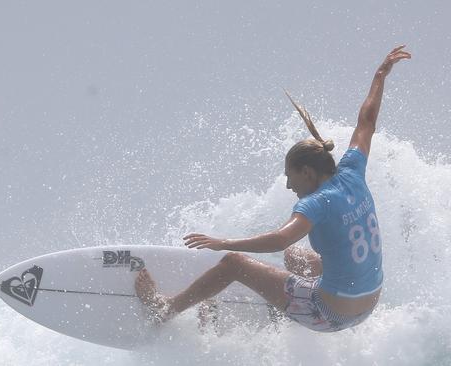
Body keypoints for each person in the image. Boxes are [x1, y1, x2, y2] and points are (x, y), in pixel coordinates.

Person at [135, 45, 411, 332]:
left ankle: (165, 309)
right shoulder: (353, 170)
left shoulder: (315, 203)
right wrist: (380, 75)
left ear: (307, 172)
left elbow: (279, 239)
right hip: (369, 303)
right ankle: (281, 303)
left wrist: (223, 243)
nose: (290, 186)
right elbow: (366, 122)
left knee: (234, 263)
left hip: (328, 314)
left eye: (291, 177)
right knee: (294, 257)